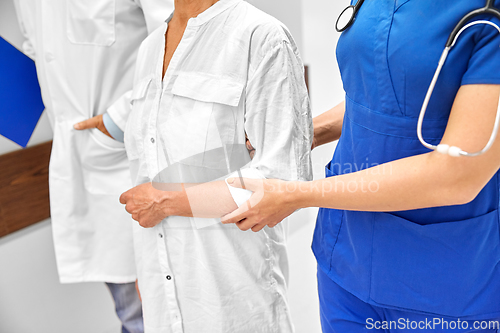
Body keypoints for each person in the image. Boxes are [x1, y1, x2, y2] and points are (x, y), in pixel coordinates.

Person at [221, 0, 500, 332]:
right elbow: (379, 96)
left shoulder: (487, 11)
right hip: (346, 260)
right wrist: (302, 135)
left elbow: (457, 174)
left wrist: (296, 195)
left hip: (444, 279)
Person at [118, 0, 312, 331]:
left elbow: (282, 182)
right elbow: (150, 166)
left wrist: (167, 202)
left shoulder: (260, 36)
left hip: (234, 299)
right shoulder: (150, 48)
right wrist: (147, 265)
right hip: (162, 292)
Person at [13, 0, 173, 331]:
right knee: (134, 313)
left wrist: (118, 121)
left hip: (141, 157)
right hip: (92, 165)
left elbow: (183, 38)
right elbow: (40, 50)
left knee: (164, 311)